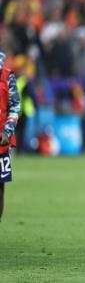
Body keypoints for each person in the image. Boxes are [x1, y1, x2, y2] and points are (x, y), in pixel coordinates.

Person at [0, 51, 20, 222]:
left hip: (1, 140)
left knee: (0, 186)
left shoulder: (7, 75)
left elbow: (15, 105)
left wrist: (7, 132)